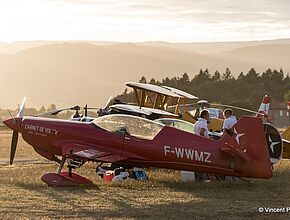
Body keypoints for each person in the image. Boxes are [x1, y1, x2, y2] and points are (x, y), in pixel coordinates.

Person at [193, 109, 210, 181]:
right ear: (205, 115)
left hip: (196, 144)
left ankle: (198, 178)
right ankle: (203, 178)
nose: (209, 117)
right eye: (208, 115)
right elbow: (202, 132)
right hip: (202, 145)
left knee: (198, 162)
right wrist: (205, 141)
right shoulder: (203, 123)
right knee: (203, 162)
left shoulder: (197, 122)